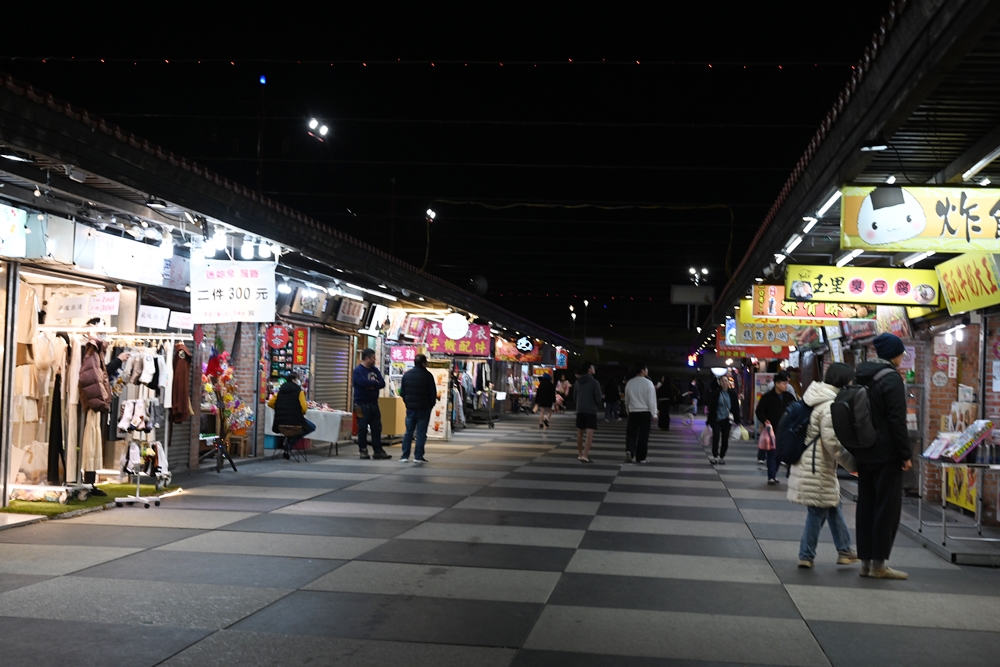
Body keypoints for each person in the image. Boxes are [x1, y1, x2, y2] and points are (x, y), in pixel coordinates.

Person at [787, 363, 860, 568]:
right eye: (850, 380)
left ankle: (845, 550)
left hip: (811, 461)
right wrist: (851, 464)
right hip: (816, 464)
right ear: (843, 381)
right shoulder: (828, 404)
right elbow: (831, 442)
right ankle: (806, 554)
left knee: (832, 503)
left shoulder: (815, 396)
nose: (852, 384)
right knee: (818, 509)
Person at [854, 333, 912, 579]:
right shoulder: (892, 379)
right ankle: (880, 565)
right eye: (900, 353)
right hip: (886, 454)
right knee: (886, 508)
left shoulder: (861, 376)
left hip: (863, 451)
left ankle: (866, 564)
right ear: (893, 354)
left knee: (866, 506)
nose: (902, 357)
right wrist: (905, 454)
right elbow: (897, 421)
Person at [755, 371, 796, 484]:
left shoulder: (790, 397)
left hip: (786, 430)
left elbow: (796, 411)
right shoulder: (767, 397)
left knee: (780, 453)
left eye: (786, 383)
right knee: (772, 453)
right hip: (771, 429)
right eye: (783, 383)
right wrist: (765, 420)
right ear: (776, 384)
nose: (785, 386)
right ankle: (771, 476)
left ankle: (774, 473)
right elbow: (759, 411)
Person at [352, 348, 392, 460]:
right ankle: (363, 450)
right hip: (361, 404)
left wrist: (371, 385)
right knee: (363, 428)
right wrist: (375, 383)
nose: (375, 359)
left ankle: (378, 451)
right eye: (373, 357)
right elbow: (362, 382)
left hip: (374, 404)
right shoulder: (358, 370)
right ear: (367, 358)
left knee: (377, 428)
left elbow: (382, 383)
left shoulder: (374, 370)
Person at [267, 373, 316, 459]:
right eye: (297, 379)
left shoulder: (280, 390)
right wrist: (297, 412)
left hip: (279, 423)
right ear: (294, 379)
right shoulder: (299, 391)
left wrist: (278, 408)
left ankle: (287, 441)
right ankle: (290, 443)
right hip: (295, 421)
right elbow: (304, 409)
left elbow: (270, 403)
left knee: (290, 430)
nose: (298, 381)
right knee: (311, 426)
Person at [398, 353, 436, 463]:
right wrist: (430, 405)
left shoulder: (407, 375)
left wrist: (407, 403)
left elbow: (403, 392)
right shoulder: (428, 376)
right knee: (421, 433)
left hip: (410, 409)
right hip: (424, 409)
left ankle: (404, 456)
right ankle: (418, 456)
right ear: (424, 363)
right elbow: (432, 393)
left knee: (408, 432)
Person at [624, 363, 658, 463]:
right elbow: (651, 400)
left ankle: (630, 450)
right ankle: (641, 457)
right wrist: (654, 413)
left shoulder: (630, 382)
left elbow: (627, 398)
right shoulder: (648, 383)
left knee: (631, 434)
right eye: (646, 369)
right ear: (642, 370)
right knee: (643, 436)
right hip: (645, 412)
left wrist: (627, 410)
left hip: (633, 412)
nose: (647, 371)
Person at [706, 375, 740, 465]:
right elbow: (712, 407)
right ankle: (715, 456)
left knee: (725, 439)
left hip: (727, 419)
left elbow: (736, 407)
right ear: (720, 383)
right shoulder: (716, 393)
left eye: (726, 381)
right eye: (722, 381)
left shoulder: (732, 394)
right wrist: (709, 421)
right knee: (716, 437)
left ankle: (722, 456)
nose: (724, 383)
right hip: (717, 419)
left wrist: (738, 420)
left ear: (728, 382)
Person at [574, 361, 603, 463]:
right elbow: (598, 398)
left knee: (580, 433)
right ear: (589, 370)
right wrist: (597, 405)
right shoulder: (594, 382)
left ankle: (580, 454)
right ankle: (585, 455)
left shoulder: (578, 382)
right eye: (592, 367)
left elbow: (574, 396)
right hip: (591, 410)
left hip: (580, 409)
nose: (594, 369)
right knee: (589, 434)